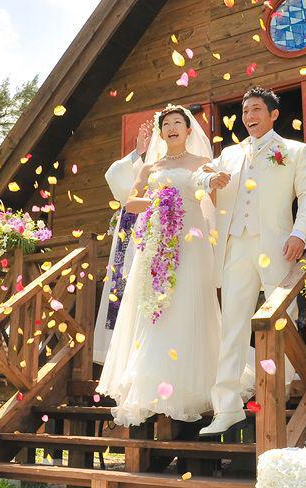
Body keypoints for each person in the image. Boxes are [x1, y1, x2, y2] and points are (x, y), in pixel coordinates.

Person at [196, 86, 306, 437]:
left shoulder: (295, 151)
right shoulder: (230, 154)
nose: (249, 116)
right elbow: (198, 176)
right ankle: (227, 408)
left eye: (256, 110)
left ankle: (281, 393)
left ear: (273, 114)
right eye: (246, 111)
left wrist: (300, 234)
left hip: (278, 245)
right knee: (232, 326)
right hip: (237, 246)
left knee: (284, 320)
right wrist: (209, 179)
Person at [96, 105, 220, 426]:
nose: (173, 127)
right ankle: (152, 376)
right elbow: (130, 202)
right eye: (167, 124)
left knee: (188, 301)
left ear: (189, 130)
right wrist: (158, 201)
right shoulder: (151, 168)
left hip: (191, 241)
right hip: (156, 245)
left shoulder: (202, 163)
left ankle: (192, 379)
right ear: (161, 132)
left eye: (179, 122)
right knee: (156, 308)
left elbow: (211, 195)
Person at [93, 119, 153, 365]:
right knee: (124, 283)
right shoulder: (138, 164)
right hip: (131, 228)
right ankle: (123, 354)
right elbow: (114, 177)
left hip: (165, 227)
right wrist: (138, 152)